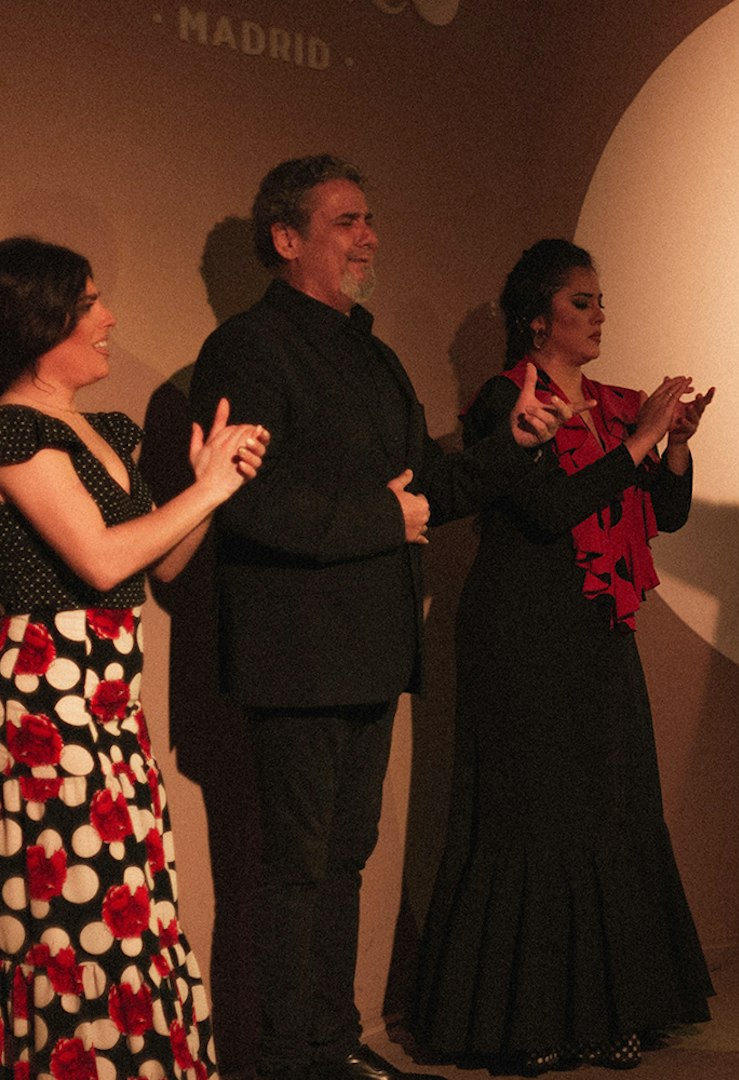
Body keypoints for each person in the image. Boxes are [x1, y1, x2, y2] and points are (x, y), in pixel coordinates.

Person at [187, 156, 580, 1080]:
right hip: (296, 657)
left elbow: (429, 487)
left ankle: (332, 1045)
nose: (369, 237)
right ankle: (288, 1063)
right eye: (346, 221)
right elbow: (243, 499)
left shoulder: (372, 355)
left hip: (369, 649)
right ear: (286, 238)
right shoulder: (247, 349)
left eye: (368, 219)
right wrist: (380, 517)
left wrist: (511, 446)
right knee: (295, 868)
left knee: (344, 859)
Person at [0, 236, 269, 1080]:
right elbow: (97, 560)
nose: (108, 319)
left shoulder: (103, 432)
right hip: (46, 709)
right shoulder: (9, 433)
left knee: (127, 908)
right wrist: (209, 489)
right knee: (74, 918)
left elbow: (159, 564)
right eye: (88, 304)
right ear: (37, 323)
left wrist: (207, 485)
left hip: (108, 702)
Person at [412, 239, 716, 1075]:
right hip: (522, 631)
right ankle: (528, 1018)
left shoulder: (616, 406)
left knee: (611, 809)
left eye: (600, 300)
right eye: (581, 301)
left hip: (597, 627)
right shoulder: (505, 399)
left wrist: (674, 445)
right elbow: (549, 510)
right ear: (538, 318)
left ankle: (610, 1010)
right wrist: (641, 438)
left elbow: (667, 512)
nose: (598, 314)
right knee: (533, 816)